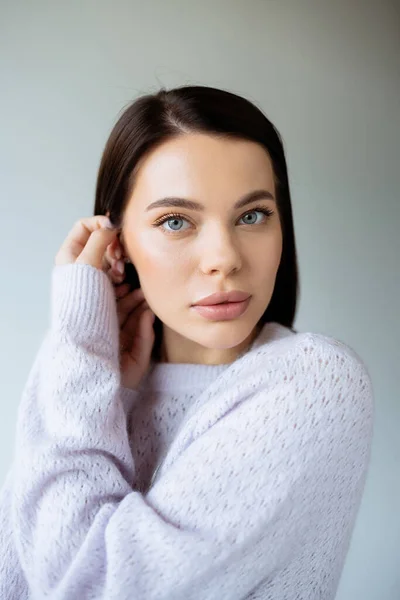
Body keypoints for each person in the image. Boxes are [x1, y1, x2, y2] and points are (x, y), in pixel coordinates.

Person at [0, 85, 374, 599]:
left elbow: (86, 587)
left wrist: (78, 340)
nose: (224, 257)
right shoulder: (91, 389)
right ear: (117, 244)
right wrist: (105, 383)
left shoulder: (314, 383)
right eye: (176, 221)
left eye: (252, 215)